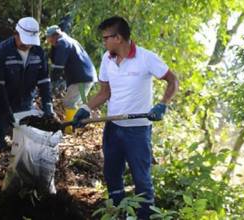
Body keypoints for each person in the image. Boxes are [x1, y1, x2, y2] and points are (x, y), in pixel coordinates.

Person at [72, 16, 179, 219]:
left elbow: (173, 80)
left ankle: (145, 216)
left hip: (138, 130)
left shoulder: (146, 58)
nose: (103, 42)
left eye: (106, 38)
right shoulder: (107, 58)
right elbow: (105, 92)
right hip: (113, 126)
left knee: (141, 179)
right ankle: (120, 213)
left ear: (118, 38)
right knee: (112, 174)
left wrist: (162, 104)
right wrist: (85, 108)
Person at [0, 17, 54, 191]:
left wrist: (48, 107)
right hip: (1, 102)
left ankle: (21, 177)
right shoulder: (1, 52)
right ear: (16, 34)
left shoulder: (38, 52)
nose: (28, 45)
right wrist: (7, 112)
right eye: (25, 40)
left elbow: (44, 81)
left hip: (25, 102)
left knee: (25, 139)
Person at [46, 25, 97, 133]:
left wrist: (53, 81)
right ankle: (82, 127)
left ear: (53, 36)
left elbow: (58, 66)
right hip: (87, 76)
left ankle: (69, 130)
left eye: (48, 39)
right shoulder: (69, 40)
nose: (48, 41)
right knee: (81, 103)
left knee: (69, 103)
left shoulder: (62, 43)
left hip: (81, 79)